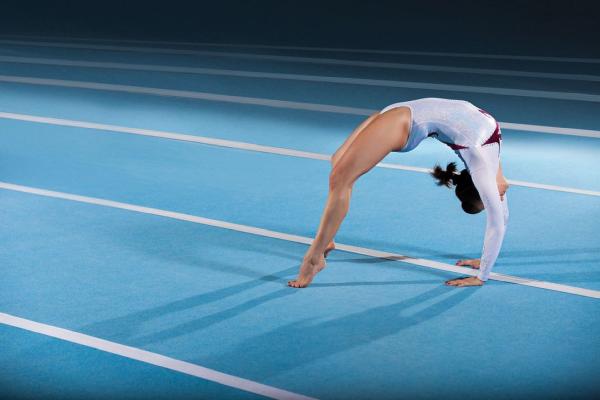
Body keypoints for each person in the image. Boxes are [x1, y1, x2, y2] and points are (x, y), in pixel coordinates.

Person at [288, 98, 509, 288]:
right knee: (338, 165)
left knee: (340, 175)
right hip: (405, 120)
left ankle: (317, 253)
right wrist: (482, 277)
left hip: (403, 115)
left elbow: (500, 215)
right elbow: (497, 222)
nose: (498, 199)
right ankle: (322, 249)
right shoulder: (481, 165)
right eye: (491, 200)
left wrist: (484, 261)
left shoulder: (490, 158)